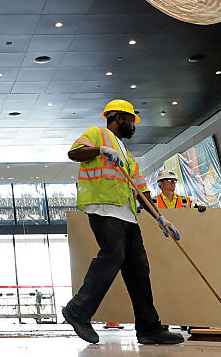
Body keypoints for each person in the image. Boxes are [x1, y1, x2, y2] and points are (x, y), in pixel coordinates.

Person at [61, 99, 184, 346]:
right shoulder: (97, 134)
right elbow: (74, 153)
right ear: (117, 118)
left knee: (139, 269)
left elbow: (140, 189)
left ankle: (149, 328)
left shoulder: (128, 156)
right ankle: (78, 310)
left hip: (127, 215)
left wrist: (160, 216)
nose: (134, 126)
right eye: (130, 120)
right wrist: (100, 151)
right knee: (113, 256)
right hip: (104, 208)